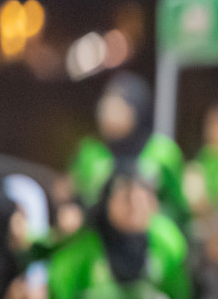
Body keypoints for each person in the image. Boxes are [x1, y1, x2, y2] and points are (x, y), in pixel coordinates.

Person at [44, 163, 192, 299]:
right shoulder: (80, 251)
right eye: (126, 197)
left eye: (142, 198)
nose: (135, 207)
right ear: (106, 202)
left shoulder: (167, 241)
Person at [68, 73, 189, 229]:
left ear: (137, 110)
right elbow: (77, 198)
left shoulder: (162, 152)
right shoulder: (90, 153)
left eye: (117, 109)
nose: (108, 116)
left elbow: (178, 208)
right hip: (98, 241)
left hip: (149, 241)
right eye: (105, 108)